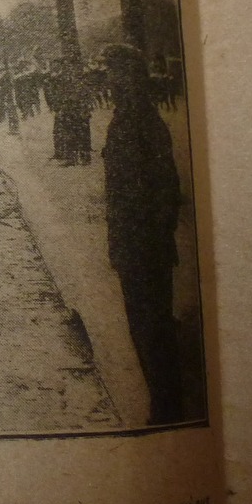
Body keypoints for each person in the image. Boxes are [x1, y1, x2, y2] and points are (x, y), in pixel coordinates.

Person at [101, 43, 185, 424]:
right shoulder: (128, 118)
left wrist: (149, 238)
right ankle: (163, 402)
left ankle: (167, 408)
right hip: (135, 242)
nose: (109, 79)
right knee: (146, 327)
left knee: (152, 329)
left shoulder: (142, 122)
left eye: (115, 72)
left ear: (132, 78)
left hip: (144, 245)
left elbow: (166, 187)